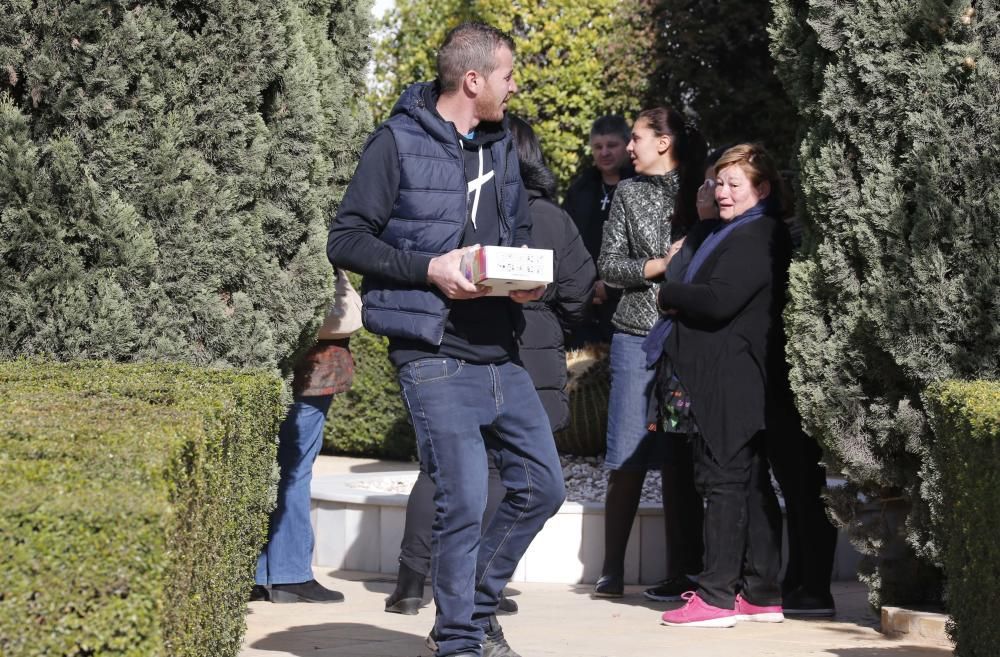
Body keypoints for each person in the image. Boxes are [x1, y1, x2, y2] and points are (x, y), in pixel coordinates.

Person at [327, 22, 565, 657]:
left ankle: (474, 611)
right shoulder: (396, 142)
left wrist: (522, 279)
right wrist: (427, 267)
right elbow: (346, 239)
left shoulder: (502, 147)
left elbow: (511, 230)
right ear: (473, 79)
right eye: (508, 76)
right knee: (461, 499)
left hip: (500, 348)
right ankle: (460, 642)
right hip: (431, 353)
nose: (514, 87)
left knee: (543, 487)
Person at [383, 115, 597, 619]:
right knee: (482, 483)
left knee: (455, 477)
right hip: (509, 350)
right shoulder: (540, 213)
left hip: (499, 354)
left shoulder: (508, 210)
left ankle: (421, 584)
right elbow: (580, 288)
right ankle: (467, 615)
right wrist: (553, 323)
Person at [652, 143, 792, 627]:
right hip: (724, 374)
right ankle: (760, 592)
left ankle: (715, 596)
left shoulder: (756, 235)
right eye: (718, 183)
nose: (723, 192)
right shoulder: (735, 231)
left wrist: (669, 292)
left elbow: (718, 300)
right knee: (745, 482)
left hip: (732, 377)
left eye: (735, 184)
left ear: (763, 189)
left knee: (726, 483)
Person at [593, 107, 706, 600]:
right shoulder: (627, 193)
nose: (628, 146)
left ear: (664, 142)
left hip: (688, 337)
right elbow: (610, 265)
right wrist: (661, 264)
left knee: (681, 455)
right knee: (625, 452)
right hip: (634, 338)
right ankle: (610, 567)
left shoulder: (704, 189)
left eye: (636, 138)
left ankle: (686, 569)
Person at [251, 311, 356, 603]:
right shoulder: (318, 264)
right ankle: (291, 575)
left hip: (257, 361)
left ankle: (258, 576)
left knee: (262, 467)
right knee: (294, 472)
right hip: (312, 369)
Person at [563, 115, 634, 346]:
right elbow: (566, 241)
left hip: (625, 306)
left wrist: (611, 288)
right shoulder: (580, 188)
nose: (604, 152)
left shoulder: (640, 188)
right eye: (598, 146)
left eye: (612, 145)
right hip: (583, 304)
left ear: (627, 145)